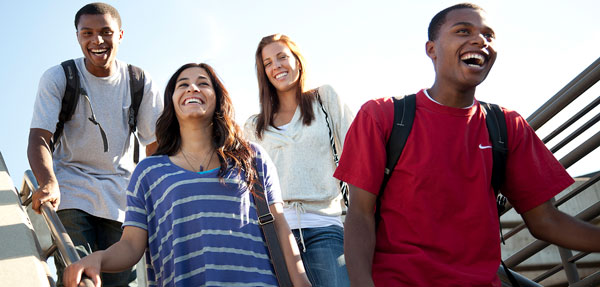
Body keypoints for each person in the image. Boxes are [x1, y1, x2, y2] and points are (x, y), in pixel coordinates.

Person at [334, 3, 600, 286]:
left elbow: (545, 220)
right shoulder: (382, 116)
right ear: (431, 49)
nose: (480, 40)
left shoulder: (507, 126)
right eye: (463, 31)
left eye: (489, 35)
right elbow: (360, 215)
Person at [62, 63, 312, 287]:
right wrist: (98, 259)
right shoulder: (148, 172)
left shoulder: (252, 157)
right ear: (171, 100)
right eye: (183, 84)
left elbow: (279, 226)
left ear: (217, 98)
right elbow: (130, 246)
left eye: (203, 83)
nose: (192, 88)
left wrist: (302, 283)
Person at [27, 3, 163, 286]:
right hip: (71, 193)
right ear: (77, 36)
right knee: (81, 277)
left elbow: (155, 148)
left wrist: (156, 199)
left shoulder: (139, 81)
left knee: (121, 282)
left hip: (122, 201)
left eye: (105, 32)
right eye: (87, 33)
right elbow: (40, 137)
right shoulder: (59, 77)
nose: (97, 40)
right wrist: (48, 181)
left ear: (120, 35)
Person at [244, 33, 353, 287]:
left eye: (282, 57)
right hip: (271, 234)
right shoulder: (253, 126)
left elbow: (357, 154)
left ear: (298, 62)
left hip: (324, 225)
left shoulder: (325, 99)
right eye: (268, 62)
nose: (276, 66)